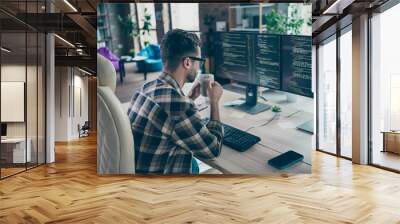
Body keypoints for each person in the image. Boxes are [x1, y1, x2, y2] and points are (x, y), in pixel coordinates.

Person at [127, 29, 224, 174]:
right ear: (187, 62)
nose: (199, 67)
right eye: (199, 61)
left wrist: (189, 99)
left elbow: (168, 119)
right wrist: (214, 102)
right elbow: (213, 149)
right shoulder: (179, 105)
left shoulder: (145, 88)